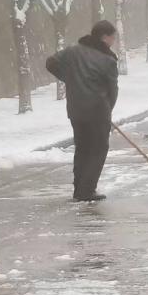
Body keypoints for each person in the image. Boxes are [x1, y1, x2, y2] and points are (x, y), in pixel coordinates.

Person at [46, 20, 119, 202]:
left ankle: (79, 188)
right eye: (113, 38)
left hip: (76, 109)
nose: (114, 41)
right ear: (105, 37)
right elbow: (113, 90)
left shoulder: (72, 51)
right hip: (97, 111)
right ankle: (87, 190)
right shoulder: (108, 61)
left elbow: (51, 62)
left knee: (82, 148)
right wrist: (107, 109)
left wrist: (70, 79)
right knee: (98, 149)